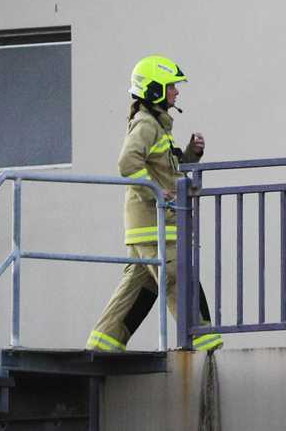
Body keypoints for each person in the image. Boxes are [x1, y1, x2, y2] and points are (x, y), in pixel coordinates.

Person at [88, 55, 223, 352]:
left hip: (148, 225)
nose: (176, 92)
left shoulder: (158, 128)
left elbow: (166, 173)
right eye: (171, 86)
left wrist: (190, 154)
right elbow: (127, 163)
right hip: (154, 224)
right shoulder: (147, 125)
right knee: (178, 276)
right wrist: (155, 194)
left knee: (139, 288)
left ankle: (102, 344)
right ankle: (204, 343)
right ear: (154, 90)